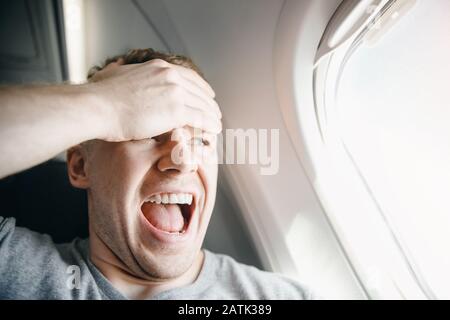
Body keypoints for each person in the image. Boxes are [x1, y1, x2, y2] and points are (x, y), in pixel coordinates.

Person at [0, 48, 313, 299]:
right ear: (81, 166)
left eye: (200, 139)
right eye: (148, 132)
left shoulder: (281, 297)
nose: (183, 160)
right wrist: (106, 103)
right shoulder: (14, 272)